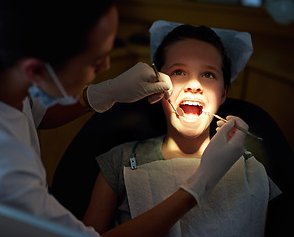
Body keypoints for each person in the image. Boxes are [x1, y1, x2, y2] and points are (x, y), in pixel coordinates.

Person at [0, 0, 247, 236]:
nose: (105, 66)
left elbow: (32, 112)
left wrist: (100, 93)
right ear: (35, 70)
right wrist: (199, 186)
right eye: (96, 61)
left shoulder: (5, 79)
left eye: (208, 75)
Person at [83, 23, 281, 236]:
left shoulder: (252, 172)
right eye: (179, 71)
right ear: (156, 85)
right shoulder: (120, 162)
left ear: (224, 94)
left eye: (208, 75)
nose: (194, 84)